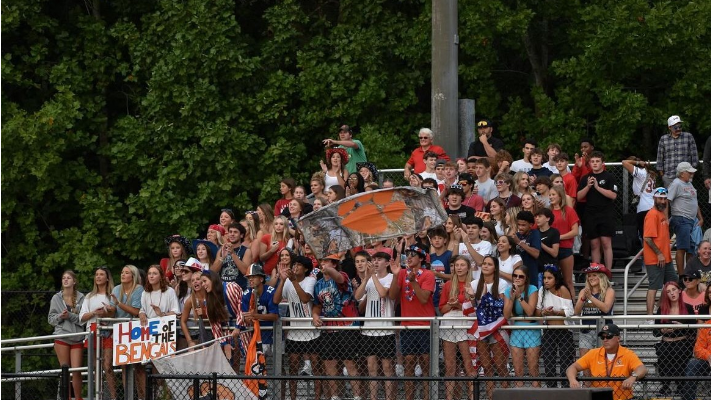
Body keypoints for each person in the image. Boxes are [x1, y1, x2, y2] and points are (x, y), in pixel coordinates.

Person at [388, 244, 435, 400]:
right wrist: (395, 275)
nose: (408, 257)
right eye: (407, 254)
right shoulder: (401, 273)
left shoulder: (428, 274)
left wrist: (414, 282)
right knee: (408, 363)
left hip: (425, 325)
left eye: (413, 255)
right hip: (407, 325)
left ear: (421, 258)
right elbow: (393, 296)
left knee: (426, 364)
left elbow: (423, 299)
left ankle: (427, 397)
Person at [312, 254, 362, 400]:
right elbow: (317, 305)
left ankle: (357, 396)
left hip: (347, 326)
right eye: (321, 261)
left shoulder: (343, 275)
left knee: (349, 362)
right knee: (329, 363)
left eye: (326, 261)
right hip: (328, 328)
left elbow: (339, 279)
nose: (323, 263)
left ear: (334, 264)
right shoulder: (318, 283)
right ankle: (335, 396)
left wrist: (328, 269)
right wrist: (315, 315)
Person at [273, 255, 321, 400]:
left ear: (306, 268)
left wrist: (293, 280)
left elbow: (305, 299)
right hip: (294, 333)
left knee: (317, 368)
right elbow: (276, 300)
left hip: (311, 332)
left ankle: (317, 397)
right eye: (294, 265)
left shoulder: (310, 280)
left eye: (299, 265)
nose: (295, 267)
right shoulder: (287, 281)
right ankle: (293, 398)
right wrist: (282, 280)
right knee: (293, 368)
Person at [465, 256, 510, 399]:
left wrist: (485, 296)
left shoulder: (502, 284)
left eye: (489, 264)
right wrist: (473, 298)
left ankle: (506, 395)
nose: (485, 266)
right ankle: (490, 397)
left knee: (500, 365)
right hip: (481, 329)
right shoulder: (473, 284)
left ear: (495, 268)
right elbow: (473, 308)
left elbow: (500, 307)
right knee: (486, 366)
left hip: (497, 328)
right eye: (484, 263)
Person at [354, 251, 397, 400]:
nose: (376, 262)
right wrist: (366, 279)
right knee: (371, 368)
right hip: (368, 330)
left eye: (379, 260)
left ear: (386, 263)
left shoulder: (391, 277)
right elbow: (357, 297)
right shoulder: (369, 279)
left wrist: (372, 276)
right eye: (374, 260)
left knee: (387, 368)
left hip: (386, 329)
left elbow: (383, 293)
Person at [566, 323, 647, 400]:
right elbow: (572, 367)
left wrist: (633, 377)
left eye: (609, 336)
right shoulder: (593, 353)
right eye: (602, 337)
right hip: (598, 398)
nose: (605, 340)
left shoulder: (627, 354)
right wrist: (572, 380)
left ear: (618, 338)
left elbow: (642, 368)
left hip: (622, 398)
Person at [438, 256, 476, 400]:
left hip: (466, 323)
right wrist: (451, 304)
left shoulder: (473, 284)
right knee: (450, 365)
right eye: (456, 265)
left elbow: (475, 309)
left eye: (462, 265)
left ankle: (472, 396)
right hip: (449, 323)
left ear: (468, 267)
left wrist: (459, 306)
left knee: (468, 363)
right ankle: (450, 397)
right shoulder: (448, 285)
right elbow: (442, 308)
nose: (459, 268)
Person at [79, 267, 116, 400]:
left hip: (108, 331)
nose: (98, 277)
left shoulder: (112, 295)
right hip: (93, 330)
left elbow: (116, 313)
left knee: (107, 365)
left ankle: (113, 397)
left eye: (101, 274)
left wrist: (106, 312)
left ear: (107, 278)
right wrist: (94, 312)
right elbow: (81, 317)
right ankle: (97, 396)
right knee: (95, 366)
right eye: (96, 275)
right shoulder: (89, 296)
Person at [652, 281, 695, 397]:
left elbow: (694, 331)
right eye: (668, 292)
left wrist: (682, 326)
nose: (672, 293)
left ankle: (681, 387)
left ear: (680, 290)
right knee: (664, 361)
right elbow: (654, 332)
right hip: (666, 343)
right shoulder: (661, 309)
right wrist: (662, 330)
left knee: (682, 361)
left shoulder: (688, 308)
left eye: (674, 290)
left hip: (682, 343)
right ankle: (665, 387)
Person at [577, 151, 618, 270]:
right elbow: (579, 197)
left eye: (597, 161)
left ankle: (608, 271)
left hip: (606, 213)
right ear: (589, 163)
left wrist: (597, 187)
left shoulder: (609, 177)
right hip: (591, 214)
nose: (595, 164)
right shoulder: (586, 178)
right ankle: (596, 271)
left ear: (602, 163)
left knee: (606, 243)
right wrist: (588, 186)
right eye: (592, 161)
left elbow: (613, 195)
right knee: (594, 244)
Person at [48, 270, 85, 400]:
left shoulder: (82, 298)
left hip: (77, 337)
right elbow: (51, 319)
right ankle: (67, 398)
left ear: (74, 281)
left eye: (68, 278)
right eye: (63, 278)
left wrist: (69, 316)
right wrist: (61, 317)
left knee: (76, 371)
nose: (65, 280)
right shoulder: (56, 298)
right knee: (65, 371)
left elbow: (82, 319)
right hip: (62, 337)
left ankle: (79, 398)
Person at [536, 265, 574, 387]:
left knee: (565, 362)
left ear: (556, 279)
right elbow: (537, 311)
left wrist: (556, 312)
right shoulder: (542, 291)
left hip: (564, 331)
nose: (546, 280)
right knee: (549, 363)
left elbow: (570, 312)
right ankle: (551, 390)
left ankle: (566, 390)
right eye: (544, 278)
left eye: (549, 278)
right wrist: (544, 312)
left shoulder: (563, 289)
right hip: (549, 331)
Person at [200, 270, 246, 371]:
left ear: (212, 279)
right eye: (202, 283)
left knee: (247, 358)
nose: (203, 285)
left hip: (244, 326)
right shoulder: (208, 300)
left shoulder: (231, 288)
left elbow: (242, 307)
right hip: (227, 330)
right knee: (230, 363)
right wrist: (224, 344)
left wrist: (238, 326)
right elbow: (214, 325)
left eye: (204, 281)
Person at [503, 265, 541, 388]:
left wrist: (519, 297)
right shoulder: (508, 290)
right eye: (515, 275)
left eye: (521, 276)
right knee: (518, 371)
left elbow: (530, 312)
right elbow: (506, 315)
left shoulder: (532, 289)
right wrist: (512, 297)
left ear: (526, 278)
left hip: (532, 330)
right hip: (516, 330)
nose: (517, 278)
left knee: (533, 370)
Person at [643, 187, 677, 316]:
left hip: (665, 258)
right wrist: (659, 253)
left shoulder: (662, 212)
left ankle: (659, 311)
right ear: (654, 198)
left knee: (672, 284)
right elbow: (647, 238)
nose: (662, 201)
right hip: (655, 259)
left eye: (664, 199)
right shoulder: (652, 214)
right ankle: (650, 317)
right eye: (660, 198)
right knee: (654, 286)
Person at [668, 161, 703, 275]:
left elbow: (694, 202)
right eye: (689, 173)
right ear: (682, 173)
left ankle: (689, 274)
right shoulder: (676, 184)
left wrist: (700, 218)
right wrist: (664, 218)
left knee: (691, 249)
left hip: (692, 221)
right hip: (681, 218)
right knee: (682, 247)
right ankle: (682, 276)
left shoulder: (689, 184)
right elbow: (667, 200)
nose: (691, 174)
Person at [574, 263, 615, 358]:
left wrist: (591, 297)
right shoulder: (583, 291)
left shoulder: (609, 291)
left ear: (601, 277)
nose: (591, 278)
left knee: (603, 362)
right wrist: (583, 298)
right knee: (585, 363)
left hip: (604, 332)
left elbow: (606, 308)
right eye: (589, 276)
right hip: (586, 331)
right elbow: (576, 312)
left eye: (594, 275)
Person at [241, 264, 279, 357]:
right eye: (249, 277)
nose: (250, 279)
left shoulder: (270, 292)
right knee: (258, 365)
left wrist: (256, 316)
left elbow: (275, 316)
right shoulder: (246, 294)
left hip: (272, 333)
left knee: (278, 364)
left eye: (253, 277)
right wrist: (249, 318)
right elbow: (246, 318)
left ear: (261, 279)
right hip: (256, 334)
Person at [549, 185, 580, 297]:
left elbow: (575, 231)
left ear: (560, 196)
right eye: (550, 195)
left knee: (568, 281)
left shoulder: (569, 211)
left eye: (553, 195)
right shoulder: (547, 211)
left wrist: (558, 237)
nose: (551, 197)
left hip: (565, 249)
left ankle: (573, 305)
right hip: (550, 250)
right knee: (552, 282)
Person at [657, 115, 699, 187]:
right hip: (669, 176)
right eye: (675, 127)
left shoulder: (688, 136)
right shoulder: (663, 139)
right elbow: (659, 158)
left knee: (685, 197)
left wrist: (691, 175)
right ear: (669, 127)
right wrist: (662, 176)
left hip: (685, 176)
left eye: (680, 126)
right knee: (670, 197)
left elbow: (695, 156)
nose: (678, 129)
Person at [621, 157, 657, 240]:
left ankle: (648, 252)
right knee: (653, 235)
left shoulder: (640, 173)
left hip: (644, 208)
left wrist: (637, 163)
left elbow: (624, 162)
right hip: (653, 206)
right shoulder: (651, 174)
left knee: (645, 235)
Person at [180, 267, 212, 349]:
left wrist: (204, 313)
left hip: (215, 335)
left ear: (204, 281)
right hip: (200, 336)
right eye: (192, 280)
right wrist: (190, 341)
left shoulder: (212, 296)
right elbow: (183, 321)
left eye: (198, 279)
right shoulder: (190, 300)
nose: (195, 282)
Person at [681, 316, 711, 400]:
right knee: (692, 364)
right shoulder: (707, 325)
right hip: (708, 361)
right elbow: (698, 349)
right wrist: (708, 356)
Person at [510, 211, 541, 287]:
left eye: (523, 225)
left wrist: (519, 242)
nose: (520, 227)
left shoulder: (535, 234)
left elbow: (536, 254)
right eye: (519, 225)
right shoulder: (517, 235)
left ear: (530, 225)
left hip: (531, 274)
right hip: (518, 275)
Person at [259, 216, 292, 281]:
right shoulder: (266, 238)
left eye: (281, 224)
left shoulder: (289, 241)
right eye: (276, 224)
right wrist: (271, 251)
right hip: (268, 274)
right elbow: (261, 258)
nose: (278, 226)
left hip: (284, 275)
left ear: (285, 226)